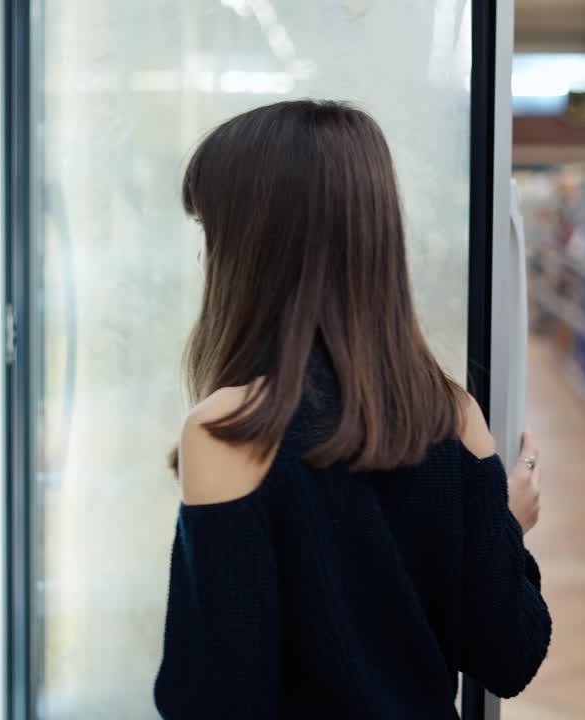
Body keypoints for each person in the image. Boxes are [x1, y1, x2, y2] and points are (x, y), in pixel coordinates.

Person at [154, 100, 550, 719]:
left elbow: (214, 700)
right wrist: (505, 531)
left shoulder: (231, 430)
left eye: (210, 228)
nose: (204, 257)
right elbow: (509, 656)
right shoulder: (453, 414)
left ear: (255, 246)